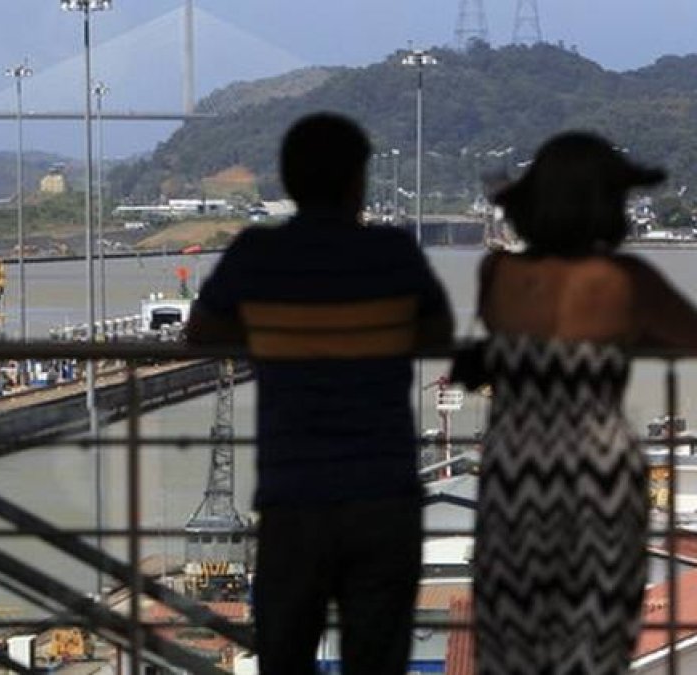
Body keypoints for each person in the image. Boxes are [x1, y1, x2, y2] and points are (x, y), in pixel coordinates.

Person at [187, 113, 454, 675]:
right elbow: (438, 332)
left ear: (287, 181)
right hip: (383, 494)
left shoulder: (258, 254)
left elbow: (202, 332)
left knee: (285, 652)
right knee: (377, 654)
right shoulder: (392, 253)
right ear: (359, 180)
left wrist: (274, 330)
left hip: (294, 494)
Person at [473, 131, 697, 674]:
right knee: (597, 643)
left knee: (512, 639)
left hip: (514, 474)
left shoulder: (499, 275)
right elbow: (689, 335)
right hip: (598, 475)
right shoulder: (626, 281)